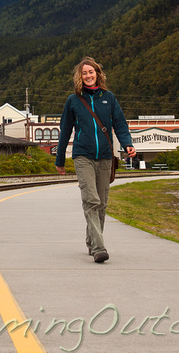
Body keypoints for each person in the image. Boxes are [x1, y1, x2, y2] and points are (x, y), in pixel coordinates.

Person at [55, 57, 136, 264]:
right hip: (83, 155)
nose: (88, 75)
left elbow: (120, 124)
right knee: (91, 200)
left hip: (106, 157)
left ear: (98, 74)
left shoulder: (108, 98)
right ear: (79, 77)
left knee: (102, 203)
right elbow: (65, 131)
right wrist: (60, 159)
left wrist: (127, 143)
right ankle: (99, 247)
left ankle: (91, 242)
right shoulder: (73, 101)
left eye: (91, 72)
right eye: (84, 73)